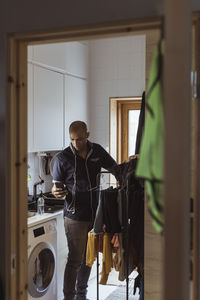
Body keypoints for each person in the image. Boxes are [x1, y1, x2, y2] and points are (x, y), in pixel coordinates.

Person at [52, 121, 117, 300]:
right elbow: (55, 187)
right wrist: (57, 192)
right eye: (72, 139)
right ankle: (69, 298)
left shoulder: (97, 151)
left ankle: (82, 296)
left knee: (88, 258)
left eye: (79, 139)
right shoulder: (62, 158)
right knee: (75, 260)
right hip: (74, 216)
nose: (75, 143)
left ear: (87, 135)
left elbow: (114, 168)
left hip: (96, 214)